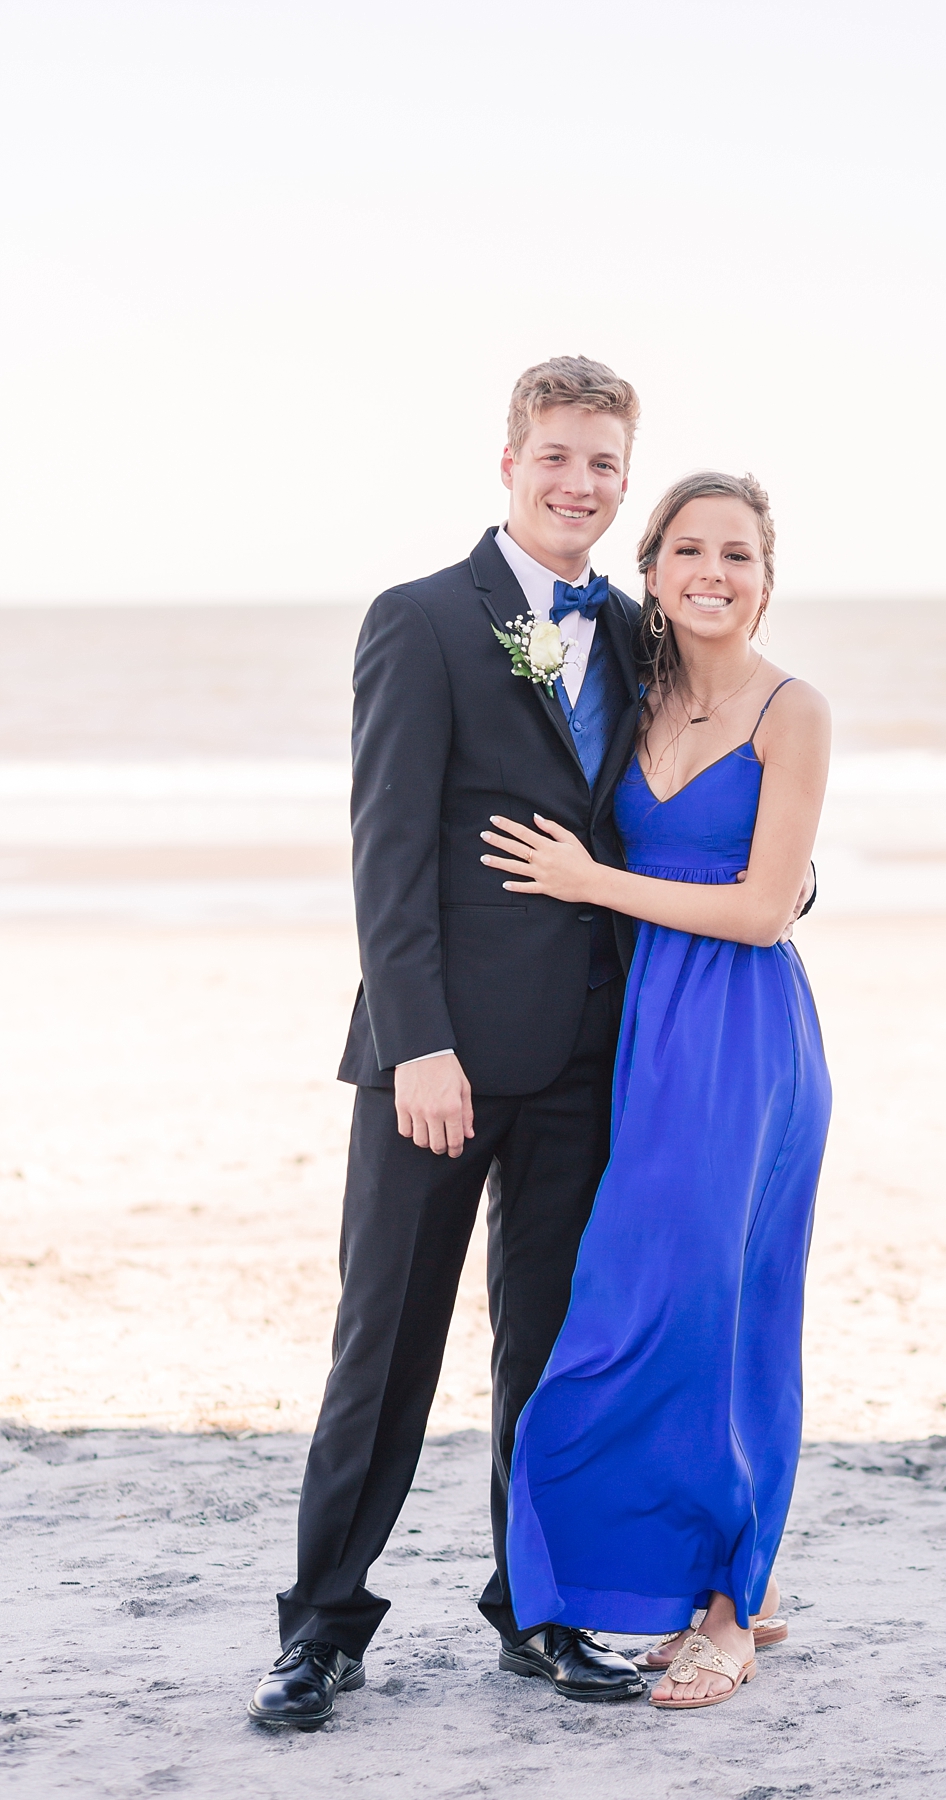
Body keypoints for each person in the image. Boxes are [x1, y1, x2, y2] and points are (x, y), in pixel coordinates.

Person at [247, 355, 653, 1726]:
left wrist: (780, 886)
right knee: (386, 1349)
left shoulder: (643, 635)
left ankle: (536, 1612)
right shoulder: (420, 620)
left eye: (603, 462)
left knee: (547, 1356)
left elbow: (686, 808)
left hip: (585, 1059)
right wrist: (418, 1042)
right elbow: (388, 851)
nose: (579, 484)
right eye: (556, 455)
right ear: (509, 461)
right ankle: (321, 1626)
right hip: (437, 1064)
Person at [480, 470, 832, 1711]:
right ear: (654, 570)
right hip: (640, 1027)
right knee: (633, 1303)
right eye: (689, 550)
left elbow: (755, 905)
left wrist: (592, 885)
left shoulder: (796, 710)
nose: (714, 573)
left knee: (723, 1309)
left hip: (741, 1035)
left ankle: (733, 1608)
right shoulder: (635, 687)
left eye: (738, 554)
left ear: (766, 575)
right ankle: (683, 1568)